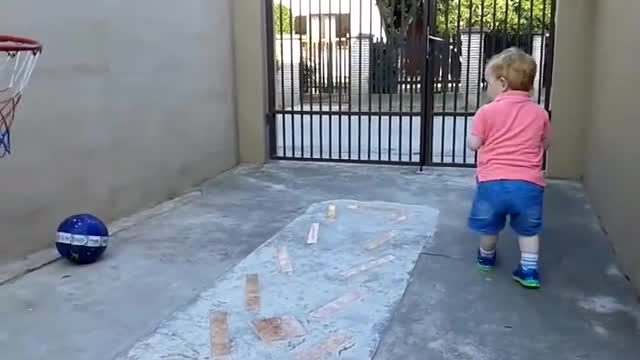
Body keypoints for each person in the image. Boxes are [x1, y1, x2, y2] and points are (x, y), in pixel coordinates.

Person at [466, 47, 551, 289]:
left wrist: (475, 141)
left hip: (492, 183)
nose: (487, 88)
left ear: (502, 83)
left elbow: (474, 144)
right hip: (528, 185)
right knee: (528, 229)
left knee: (490, 225)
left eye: (488, 82)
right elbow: (545, 143)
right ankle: (529, 269)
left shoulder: (487, 112)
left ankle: (486, 256)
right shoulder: (540, 114)